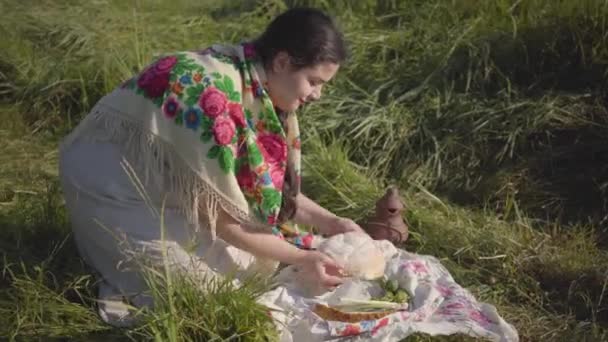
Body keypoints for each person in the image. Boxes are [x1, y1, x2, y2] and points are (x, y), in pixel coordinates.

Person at [58, 7, 364, 325]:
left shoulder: (257, 83)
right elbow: (223, 219)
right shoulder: (216, 98)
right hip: (110, 186)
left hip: (160, 175)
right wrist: (302, 257)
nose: (317, 94)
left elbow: (263, 186)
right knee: (209, 292)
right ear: (282, 62)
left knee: (258, 262)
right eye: (314, 81)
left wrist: (332, 222)